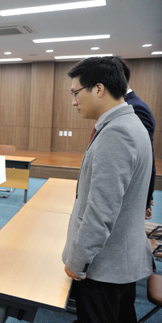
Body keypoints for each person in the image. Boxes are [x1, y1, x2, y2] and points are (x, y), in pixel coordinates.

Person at [62, 57, 153, 323]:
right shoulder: (130, 122)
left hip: (105, 265)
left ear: (99, 89)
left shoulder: (117, 133)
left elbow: (101, 210)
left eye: (76, 92)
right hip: (120, 258)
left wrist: (77, 261)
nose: (74, 101)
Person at [113, 57, 156, 219]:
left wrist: (146, 198)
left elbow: (146, 155)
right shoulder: (124, 105)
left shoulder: (135, 108)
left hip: (129, 194)